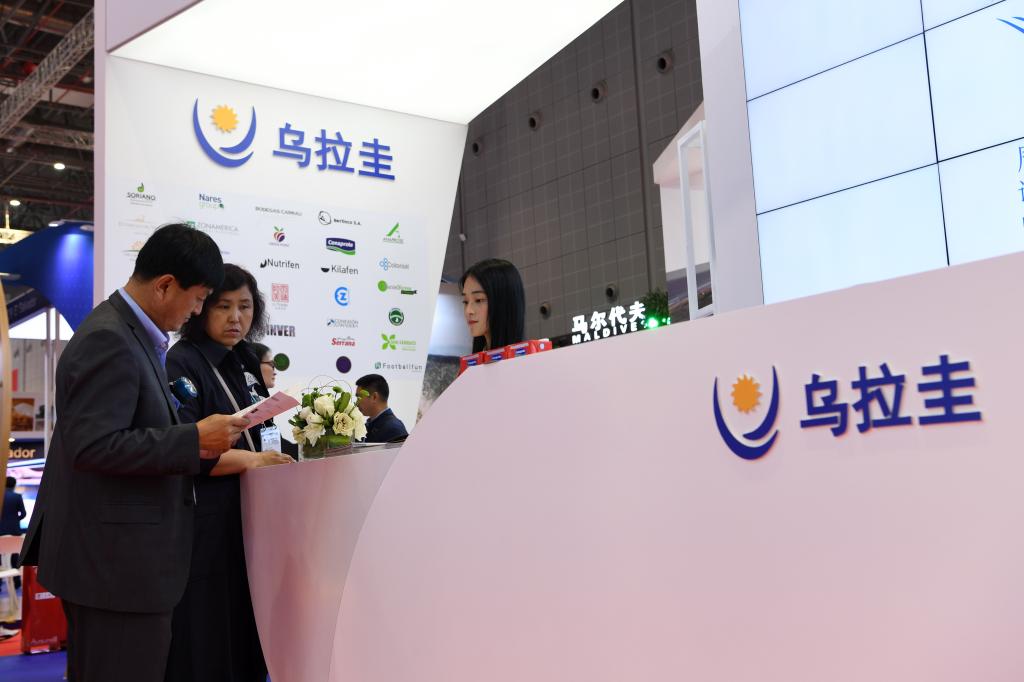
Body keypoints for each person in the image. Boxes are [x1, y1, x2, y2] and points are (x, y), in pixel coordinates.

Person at [20, 223, 250, 682]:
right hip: (115, 569)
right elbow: (94, 446)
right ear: (165, 285)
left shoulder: (132, 336)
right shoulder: (110, 338)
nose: (198, 310)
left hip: (122, 565)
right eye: (200, 298)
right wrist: (194, 439)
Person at [164, 264, 291, 682]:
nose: (236, 318)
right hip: (208, 526)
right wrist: (253, 461)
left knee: (249, 636)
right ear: (201, 308)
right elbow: (190, 450)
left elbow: (265, 431)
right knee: (208, 639)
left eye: (245, 306)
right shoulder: (182, 361)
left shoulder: (247, 359)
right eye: (223, 306)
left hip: (254, 519)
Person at [460, 258, 525, 352]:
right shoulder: (475, 359)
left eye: (478, 300)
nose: (468, 311)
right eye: (465, 302)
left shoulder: (528, 359)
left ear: (503, 303)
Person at [355, 374, 408, 443]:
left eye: (359, 397)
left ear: (374, 397)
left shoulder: (394, 430)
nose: (356, 403)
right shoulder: (370, 425)